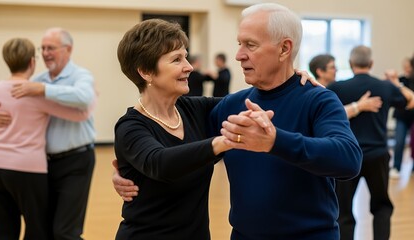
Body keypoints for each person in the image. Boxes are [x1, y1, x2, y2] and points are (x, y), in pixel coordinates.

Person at [114, 3, 363, 239]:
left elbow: (348, 159)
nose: (238, 55)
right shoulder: (230, 106)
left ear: (284, 49)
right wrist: (128, 171)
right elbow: (167, 155)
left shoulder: (318, 100)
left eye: (250, 45)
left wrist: (274, 141)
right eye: (239, 44)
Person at [114, 18, 234, 239]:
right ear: (146, 72)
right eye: (176, 59)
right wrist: (221, 142)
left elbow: (249, 101)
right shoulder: (130, 127)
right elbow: (161, 163)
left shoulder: (194, 109)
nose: (188, 67)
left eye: (186, 57)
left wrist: (290, 78)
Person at [0, 28, 96, 240]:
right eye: (42, 48)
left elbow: (84, 100)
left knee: (63, 231)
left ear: (68, 49)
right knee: (42, 228)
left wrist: (43, 90)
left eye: (50, 48)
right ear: (31, 61)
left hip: (75, 161)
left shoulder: (75, 77)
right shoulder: (34, 83)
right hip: (40, 164)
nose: (45, 52)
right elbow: (81, 113)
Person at [327, 45, 414, 240]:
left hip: (347, 156)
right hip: (378, 156)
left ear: (350, 64)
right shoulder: (385, 87)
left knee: (344, 212)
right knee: (382, 207)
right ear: (371, 63)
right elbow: (411, 101)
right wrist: (395, 83)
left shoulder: (337, 87)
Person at [309, 53, 382, 118]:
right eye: (332, 67)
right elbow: (330, 115)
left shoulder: (333, 89)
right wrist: (359, 106)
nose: (336, 70)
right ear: (320, 72)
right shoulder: (315, 93)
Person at [390, 56, 414, 178]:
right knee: (399, 142)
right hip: (402, 116)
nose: (406, 68)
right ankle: (396, 167)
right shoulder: (400, 80)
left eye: (408, 66)